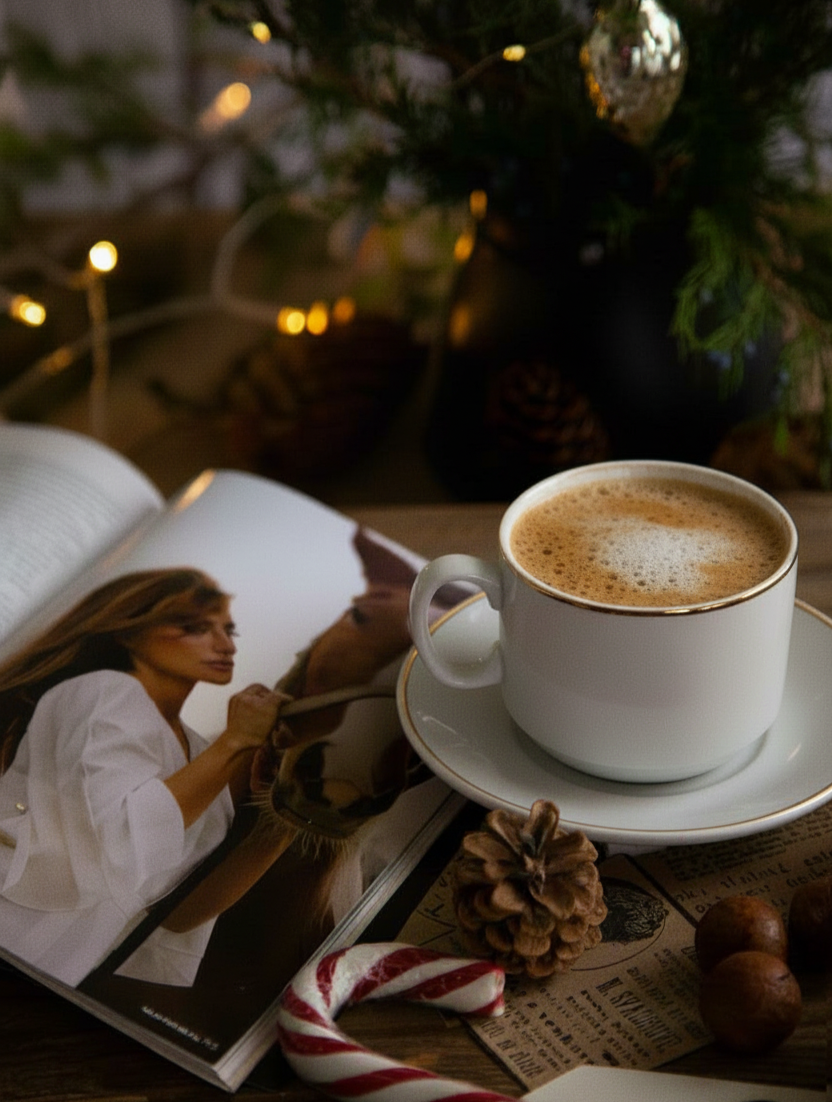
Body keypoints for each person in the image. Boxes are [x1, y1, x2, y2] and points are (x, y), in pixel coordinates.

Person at [0, 568, 289, 988]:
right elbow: (116, 847)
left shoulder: (198, 750)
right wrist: (236, 740)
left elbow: (174, 916)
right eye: (195, 628)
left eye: (230, 631)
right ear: (128, 634)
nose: (225, 645)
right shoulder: (107, 690)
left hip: (61, 970)